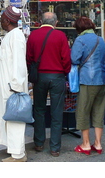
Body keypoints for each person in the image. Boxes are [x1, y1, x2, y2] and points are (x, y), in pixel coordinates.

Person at [26, 11, 71, 157]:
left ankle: (39, 143)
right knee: (56, 112)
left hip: (39, 77)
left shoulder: (33, 35)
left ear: (40, 21)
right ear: (56, 22)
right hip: (57, 76)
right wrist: (65, 72)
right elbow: (66, 58)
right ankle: (55, 148)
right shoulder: (60, 36)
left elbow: (29, 58)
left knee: (39, 110)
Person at [0, 5, 29, 162]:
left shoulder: (16, 36)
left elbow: (19, 64)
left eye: (1, 19)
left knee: (15, 121)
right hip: (8, 88)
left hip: (12, 89)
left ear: (6, 20)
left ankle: (18, 156)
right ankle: (15, 150)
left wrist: (16, 87)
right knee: (10, 120)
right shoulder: (11, 35)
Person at [70, 16, 105, 155]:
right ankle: (98, 143)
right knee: (99, 111)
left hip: (87, 80)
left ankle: (86, 144)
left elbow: (74, 59)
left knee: (83, 111)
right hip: (102, 80)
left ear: (79, 29)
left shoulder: (80, 40)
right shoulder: (101, 39)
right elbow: (104, 58)